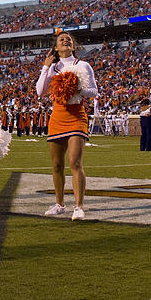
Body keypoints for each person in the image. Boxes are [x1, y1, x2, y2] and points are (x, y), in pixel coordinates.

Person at [36, 32, 99, 221]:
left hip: (76, 115)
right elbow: (40, 91)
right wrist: (45, 67)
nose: (65, 40)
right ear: (56, 47)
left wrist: (77, 88)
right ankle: (59, 204)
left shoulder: (82, 65)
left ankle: (79, 206)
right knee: (57, 165)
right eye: (61, 39)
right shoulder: (52, 67)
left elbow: (94, 91)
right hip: (57, 115)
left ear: (73, 46)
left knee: (75, 162)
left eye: (69, 39)